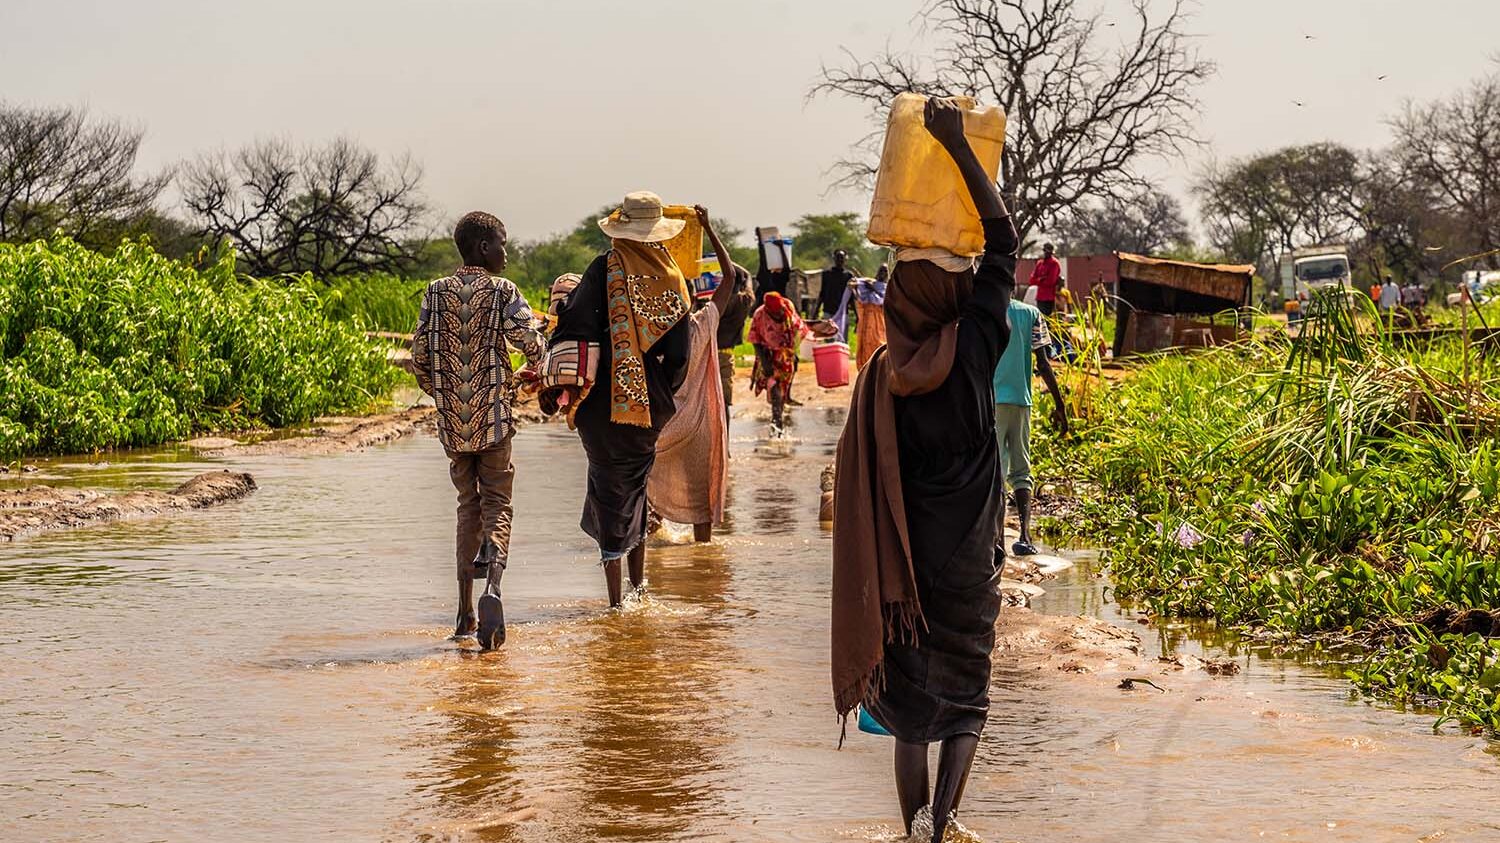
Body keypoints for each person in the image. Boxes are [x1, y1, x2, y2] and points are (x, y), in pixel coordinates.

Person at [831, 97, 1018, 843]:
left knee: (911, 712)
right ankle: (943, 826)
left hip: (904, 575)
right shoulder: (975, 346)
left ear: (899, 300)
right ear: (956, 293)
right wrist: (958, 146)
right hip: (969, 563)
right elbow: (1001, 237)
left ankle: (910, 829)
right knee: (965, 704)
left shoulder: (883, 372)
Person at [543, 191, 692, 608]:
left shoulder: (600, 270)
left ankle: (615, 604)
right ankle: (639, 589)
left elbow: (570, 325)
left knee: (608, 489)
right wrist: (660, 389)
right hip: (649, 405)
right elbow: (679, 354)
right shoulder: (670, 277)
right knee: (637, 487)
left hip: (598, 406)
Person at [412, 211, 546, 650]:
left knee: (466, 505)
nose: (506, 252)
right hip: (493, 419)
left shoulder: (434, 292)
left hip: (453, 426)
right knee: (498, 503)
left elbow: (419, 358)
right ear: (485, 248)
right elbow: (530, 340)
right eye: (502, 244)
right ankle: (493, 586)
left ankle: (464, 612)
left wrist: (444, 397)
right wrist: (528, 368)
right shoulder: (502, 291)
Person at [646, 206, 738, 543]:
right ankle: (703, 563)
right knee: (702, 507)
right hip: (700, 426)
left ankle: (652, 557)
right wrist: (709, 228)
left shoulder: (652, 331)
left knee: (649, 498)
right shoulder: (704, 323)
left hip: (664, 425)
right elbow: (730, 277)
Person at [994, 296, 1068, 556]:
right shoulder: (1031, 314)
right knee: (1021, 468)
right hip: (1021, 400)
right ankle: (1024, 537)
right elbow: (1043, 363)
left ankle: (997, 539)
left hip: (991, 400)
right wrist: (1060, 405)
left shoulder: (983, 308)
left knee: (995, 471)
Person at [748, 290, 811, 434]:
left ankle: (778, 417)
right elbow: (755, 341)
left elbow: (797, 329)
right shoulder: (759, 315)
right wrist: (765, 363)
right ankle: (777, 423)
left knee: (782, 389)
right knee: (775, 389)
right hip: (767, 355)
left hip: (785, 354)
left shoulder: (788, 306)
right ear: (768, 311)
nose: (780, 315)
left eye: (781, 311)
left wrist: (793, 351)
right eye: (776, 314)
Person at [715, 263, 754, 416]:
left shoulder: (718, 301)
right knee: (724, 402)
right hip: (726, 354)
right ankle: (725, 438)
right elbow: (748, 275)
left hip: (708, 354)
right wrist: (728, 262)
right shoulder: (745, 301)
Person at [853, 264, 889, 370]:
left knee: (878, 345)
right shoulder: (867, 285)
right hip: (865, 321)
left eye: (885, 271)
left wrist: (872, 289)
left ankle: (877, 370)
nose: (882, 274)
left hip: (879, 323)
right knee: (864, 346)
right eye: (881, 271)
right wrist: (855, 289)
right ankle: (865, 371)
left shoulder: (887, 288)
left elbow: (881, 300)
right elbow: (861, 300)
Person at [815, 249, 856, 340]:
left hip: (842, 313)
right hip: (828, 312)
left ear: (845, 260)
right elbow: (822, 294)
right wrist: (816, 311)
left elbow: (851, 297)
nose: (840, 260)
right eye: (838, 258)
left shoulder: (848, 276)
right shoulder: (827, 274)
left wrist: (857, 316)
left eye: (842, 258)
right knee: (828, 339)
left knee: (841, 340)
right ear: (834, 259)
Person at [754, 228, 792, 305]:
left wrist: (760, 239)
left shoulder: (771, 278)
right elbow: (763, 259)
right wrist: (781, 248)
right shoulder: (767, 276)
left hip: (774, 305)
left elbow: (785, 268)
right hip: (772, 305)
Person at [1028, 242, 1062, 316]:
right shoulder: (1040, 263)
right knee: (1040, 319)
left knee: (1047, 320)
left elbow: (1050, 281)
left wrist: (1039, 280)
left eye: (1048, 251)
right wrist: (1041, 279)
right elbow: (1031, 280)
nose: (1046, 253)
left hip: (1049, 297)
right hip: (1040, 296)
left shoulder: (1054, 263)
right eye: (1045, 251)